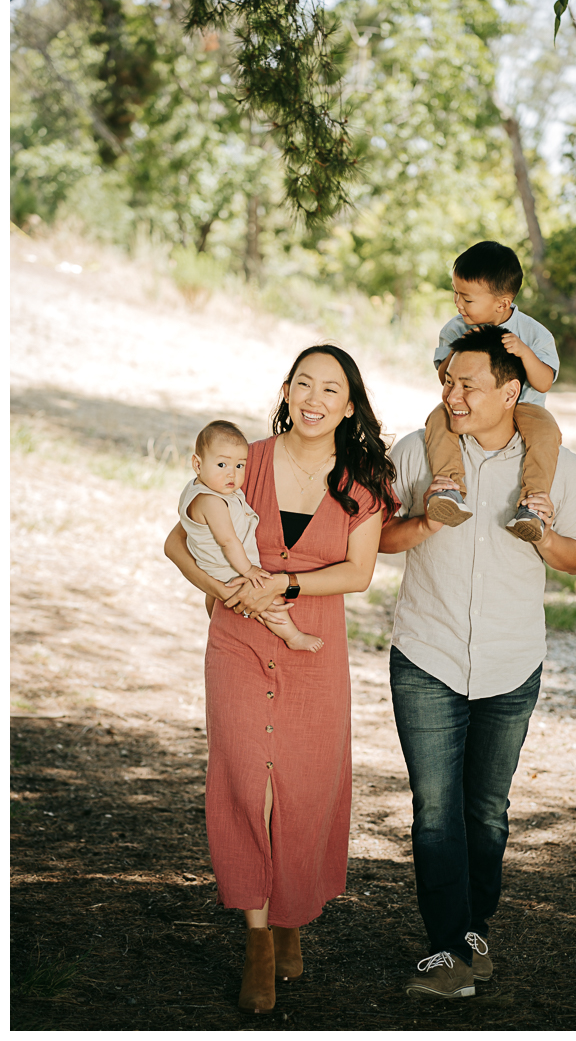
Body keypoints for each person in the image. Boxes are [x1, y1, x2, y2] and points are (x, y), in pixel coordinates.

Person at [165, 346, 397, 1014]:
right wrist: (225, 590)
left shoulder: (365, 480)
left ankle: (293, 916)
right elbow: (176, 542)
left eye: (331, 388)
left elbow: (357, 574)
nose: (314, 397)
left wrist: (286, 581)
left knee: (302, 791)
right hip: (238, 643)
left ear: (349, 405)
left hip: (312, 648)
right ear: (288, 391)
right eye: (304, 383)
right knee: (248, 785)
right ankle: (259, 941)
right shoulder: (247, 461)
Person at [379, 324, 576, 1000]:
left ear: (510, 390)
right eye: (447, 382)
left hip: (511, 661)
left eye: (467, 384)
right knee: (435, 809)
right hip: (427, 653)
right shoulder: (417, 451)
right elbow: (376, 535)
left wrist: (547, 536)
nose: (452, 394)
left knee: (487, 811)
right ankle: (448, 953)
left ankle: (474, 930)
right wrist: (426, 524)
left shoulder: (556, 465)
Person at [425, 240, 562, 544]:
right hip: (474, 408)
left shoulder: (534, 334)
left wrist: (524, 353)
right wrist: (460, 347)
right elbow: (442, 376)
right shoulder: (455, 328)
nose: (458, 304)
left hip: (522, 409)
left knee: (547, 431)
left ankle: (533, 506)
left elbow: (544, 383)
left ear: (501, 303)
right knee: (437, 417)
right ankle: (449, 489)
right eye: (455, 293)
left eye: (467, 299)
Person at [179, 419, 324, 652]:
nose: (231, 474)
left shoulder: (203, 487)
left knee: (218, 598)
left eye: (239, 466)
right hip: (228, 567)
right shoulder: (210, 501)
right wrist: (248, 571)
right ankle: (293, 636)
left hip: (216, 567)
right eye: (222, 465)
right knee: (268, 600)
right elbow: (228, 541)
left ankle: (215, 618)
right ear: (197, 464)